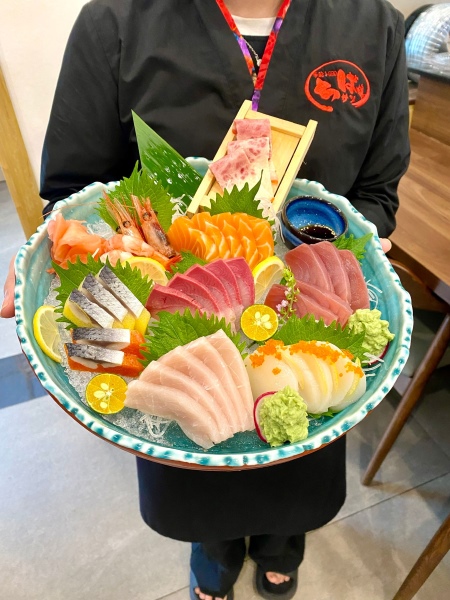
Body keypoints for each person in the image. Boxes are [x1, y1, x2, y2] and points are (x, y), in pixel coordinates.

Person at [1, 1, 410, 599]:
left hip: (308, 326)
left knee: (302, 428)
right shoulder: (115, 21)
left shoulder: (374, 23)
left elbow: (375, 192)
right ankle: (213, 550)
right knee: (193, 440)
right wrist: (55, 257)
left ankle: (282, 545)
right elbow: (74, 195)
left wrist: (352, 255)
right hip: (174, 337)